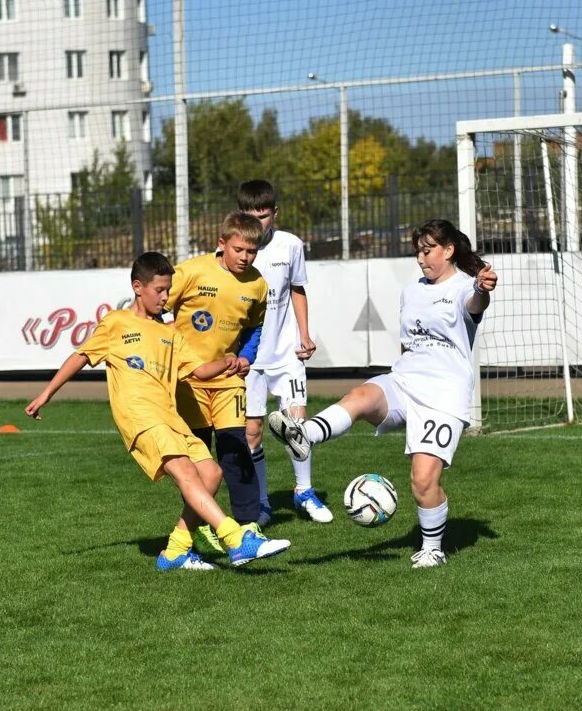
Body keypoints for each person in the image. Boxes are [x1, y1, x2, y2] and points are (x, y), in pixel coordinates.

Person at [25, 251, 290, 571]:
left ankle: (176, 550)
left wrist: (227, 363)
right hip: (140, 417)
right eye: (160, 290)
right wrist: (46, 394)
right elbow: (80, 357)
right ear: (138, 287)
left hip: (170, 418)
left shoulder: (169, 333)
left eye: (168, 290)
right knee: (186, 471)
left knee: (211, 473)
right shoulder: (116, 323)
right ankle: (236, 539)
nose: (166, 297)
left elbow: (200, 371)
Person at [268, 219, 497, 569]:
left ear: (449, 250)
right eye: (417, 252)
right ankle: (306, 435)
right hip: (406, 379)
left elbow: (475, 304)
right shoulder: (411, 291)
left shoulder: (465, 287)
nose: (421, 259)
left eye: (428, 251)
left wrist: (483, 288)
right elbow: (408, 345)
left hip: (444, 395)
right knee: (362, 395)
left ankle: (432, 548)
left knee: (423, 480)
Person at [166, 212, 269, 554]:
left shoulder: (257, 284)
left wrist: (247, 356)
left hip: (227, 380)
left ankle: (248, 523)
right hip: (189, 381)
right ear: (222, 243)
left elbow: (255, 327)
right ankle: (202, 523)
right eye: (238, 249)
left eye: (251, 251)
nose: (245, 257)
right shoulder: (190, 271)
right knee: (198, 460)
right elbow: (154, 306)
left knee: (235, 449)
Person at [237, 180, 329, 525]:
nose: (258, 224)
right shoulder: (234, 251)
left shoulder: (290, 245)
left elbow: (297, 288)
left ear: (274, 214)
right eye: (250, 216)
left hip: (287, 353)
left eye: (263, 216)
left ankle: (304, 491)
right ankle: (262, 503)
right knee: (252, 434)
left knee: (297, 424)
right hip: (250, 359)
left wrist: (304, 335)